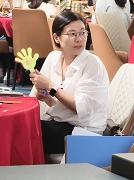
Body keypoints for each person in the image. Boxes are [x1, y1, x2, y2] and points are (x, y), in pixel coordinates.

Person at [30, 11, 109, 154]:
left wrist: (50, 86)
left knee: (28, 133)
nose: (79, 39)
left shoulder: (92, 64)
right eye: (72, 34)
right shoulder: (53, 58)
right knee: (23, 127)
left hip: (84, 133)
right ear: (56, 37)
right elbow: (59, 106)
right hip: (59, 124)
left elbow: (80, 108)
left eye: (82, 32)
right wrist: (47, 98)